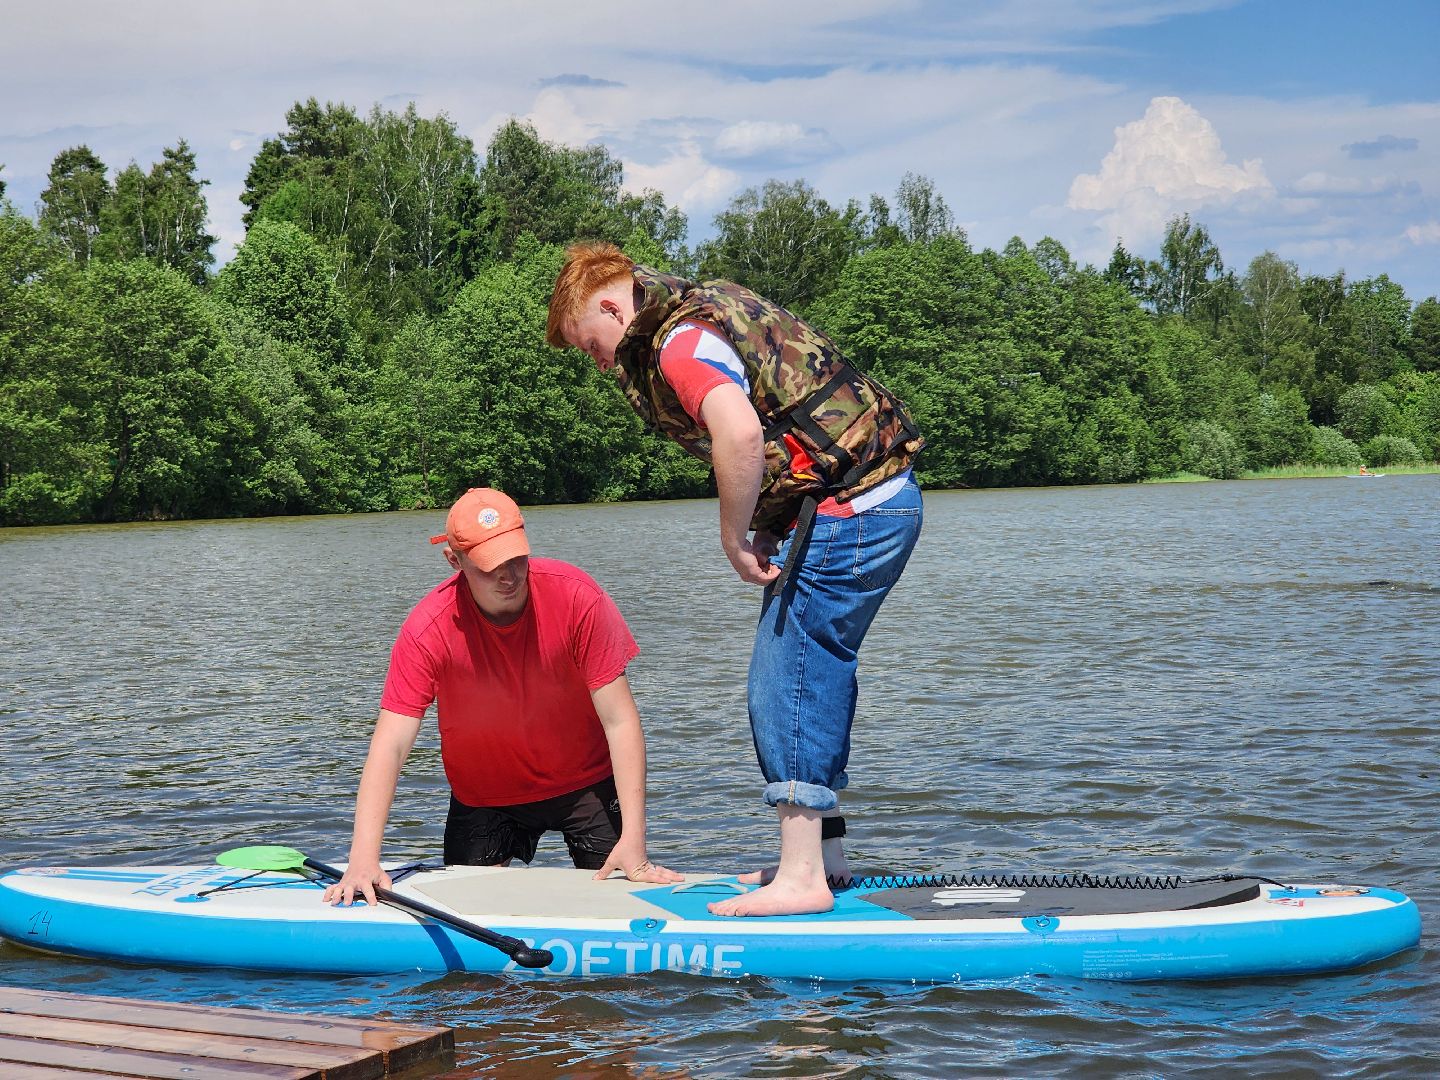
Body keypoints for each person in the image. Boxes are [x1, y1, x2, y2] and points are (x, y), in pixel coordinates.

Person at [546, 244, 924, 917]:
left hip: (857, 510)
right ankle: (823, 861)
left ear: (611, 306)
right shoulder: (698, 316)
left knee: (790, 677)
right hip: (867, 501)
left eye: (591, 344)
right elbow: (789, 429)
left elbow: (742, 435)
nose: (598, 362)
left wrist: (733, 534)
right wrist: (775, 522)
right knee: (810, 670)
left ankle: (803, 877)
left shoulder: (678, 345)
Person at [324, 486, 681, 907]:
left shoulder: (577, 597)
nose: (508, 576)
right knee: (470, 930)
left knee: (623, 897)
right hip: (486, 795)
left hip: (585, 782)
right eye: (490, 566)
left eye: (515, 558)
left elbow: (620, 722)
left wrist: (634, 839)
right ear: (454, 561)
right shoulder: (427, 629)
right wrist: (363, 859)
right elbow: (392, 742)